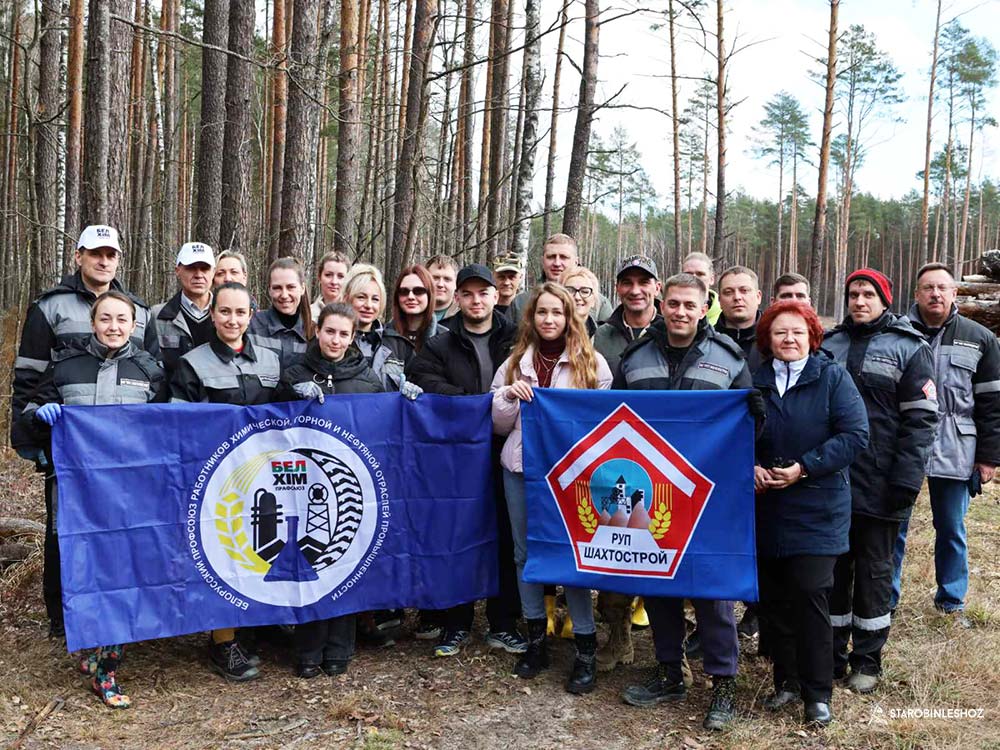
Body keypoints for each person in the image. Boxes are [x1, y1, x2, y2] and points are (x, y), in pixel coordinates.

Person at [615, 273, 756, 731]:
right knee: (658, 586)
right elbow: (614, 420)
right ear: (662, 304)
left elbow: (751, 422)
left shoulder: (729, 358)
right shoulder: (635, 358)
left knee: (713, 592)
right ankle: (669, 672)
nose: (680, 312)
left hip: (710, 495)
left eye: (689, 305)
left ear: (703, 308)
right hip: (653, 495)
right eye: (673, 303)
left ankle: (723, 685)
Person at [20, 291, 166, 708]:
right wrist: (41, 415)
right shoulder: (65, 365)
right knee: (85, 571)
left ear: (134, 325)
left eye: (122, 319)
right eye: (106, 318)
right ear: (93, 322)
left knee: (120, 574)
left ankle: (107, 670)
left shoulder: (150, 370)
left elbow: (165, 430)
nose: (114, 326)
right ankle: (93, 650)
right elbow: (29, 411)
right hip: (78, 494)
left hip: (129, 496)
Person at [11, 224, 150, 638]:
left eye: (110, 254)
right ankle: (61, 616)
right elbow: (29, 379)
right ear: (79, 256)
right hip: (68, 451)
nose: (103, 261)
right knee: (63, 530)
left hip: (123, 457)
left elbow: (152, 380)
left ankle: (118, 607)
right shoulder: (50, 306)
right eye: (95, 253)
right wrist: (32, 440)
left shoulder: (139, 311)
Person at [491, 283, 613, 693]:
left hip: (571, 477)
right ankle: (535, 640)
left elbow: (603, 424)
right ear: (531, 317)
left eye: (557, 313)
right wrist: (508, 397)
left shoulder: (591, 364)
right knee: (524, 553)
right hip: (520, 469)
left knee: (572, 554)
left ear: (569, 318)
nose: (549, 319)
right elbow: (497, 424)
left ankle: (585, 647)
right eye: (542, 312)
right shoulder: (514, 363)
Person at [752, 301, 869, 727]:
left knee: (810, 593)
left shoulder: (832, 378)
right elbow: (734, 433)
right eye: (780, 332)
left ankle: (817, 693)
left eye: (797, 332)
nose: (789, 339)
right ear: (768, 339)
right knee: (774, 598)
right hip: (766, 506)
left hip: (818, 506)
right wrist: (750, 465)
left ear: (812, 337)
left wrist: (804, 467)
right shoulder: (754, 381)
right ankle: (786, 680)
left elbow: (855, 435)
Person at [823, 268, 938, 694]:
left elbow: (921, 421)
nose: (859, 301)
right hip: (832, 481)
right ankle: (831, 654)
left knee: (874, 573)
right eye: (853, 294)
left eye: (868, 294)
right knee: (833, 571)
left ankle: (867, 660)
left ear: (885, 300)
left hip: (882, 481)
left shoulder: (910, 348)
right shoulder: (829, 344)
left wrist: (906, 480)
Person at [406, 263, 526, 658]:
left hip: (506, 448)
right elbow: (423, 378)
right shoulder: (441, 341)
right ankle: (455, 623)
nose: (476, 300)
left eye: (483, 293)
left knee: (507, 535)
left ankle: (503, 623)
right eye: (468, 294)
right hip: (457, 453)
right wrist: (475, 404)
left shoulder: (517, 338)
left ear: (496, 295)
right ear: (457, 298)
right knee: (459, 535)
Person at [171, 282, 281, 682]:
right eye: (224, 312)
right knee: (224, 555)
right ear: (213, 314)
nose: (232, 320)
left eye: (240, 312)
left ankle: (251, 631)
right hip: (215, 480)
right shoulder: (192, 363)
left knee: (260, 551)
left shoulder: (271, 359)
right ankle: (223, 641)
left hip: (264, 478)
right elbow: (180, 426)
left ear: (252, 315)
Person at [891, 263, 1000, 625]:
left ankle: (951, 600)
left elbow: (992, 403)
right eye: (928, 288)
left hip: (957, 444)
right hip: (904, 442)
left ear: (955, 293)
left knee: (951, 526)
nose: (935, 294)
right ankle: (884, 598)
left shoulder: (979, 337)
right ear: (916, 294)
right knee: (892, 524)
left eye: (942, 287)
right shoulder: (896, 332)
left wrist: (988, 457)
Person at [278, 303, 382, 679]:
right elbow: (271, 422)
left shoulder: (367, 379)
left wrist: (406, 399)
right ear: (317, 331)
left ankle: (340, 647)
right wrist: (291, 393)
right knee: (310, 561)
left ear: (353, 338)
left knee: (344, 559)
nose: (335, 340)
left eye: (344, 334)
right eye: (329, 331)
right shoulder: (294, 372)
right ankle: (308, 648)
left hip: (349, 484)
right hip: (303, 484)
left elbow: (381, 426)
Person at [591, 255, 663, 672]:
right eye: (627, 282)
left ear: (656, 287)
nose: (635, 290)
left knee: (662, 543)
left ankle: (669, 649)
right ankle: (618, 637)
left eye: (643, 282)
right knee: (615, 539)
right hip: (614, 454)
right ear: (617, 288)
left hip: (663, 455)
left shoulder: (669, 329)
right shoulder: (600, 336)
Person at [147, 242, 218, 381]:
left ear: (213, 272)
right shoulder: (157, 316)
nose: (198, 275)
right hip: (172, 394)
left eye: (205, 268)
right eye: (191, 268)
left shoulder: (227, 316)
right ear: (178, 270)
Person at [507, 234, 613, 324]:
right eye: (551, 257)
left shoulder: (598, 304)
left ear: (576, 262)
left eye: (564, 257)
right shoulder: (521, 303)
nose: (557, 263)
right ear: (542, 261)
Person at [378, 264, 439, 391]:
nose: (410, 297)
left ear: (429, 294)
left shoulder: (445, 337)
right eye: (404, 292)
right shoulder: (382, 337)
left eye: (418, 291)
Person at [247, 257, 314, 370]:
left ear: (302, 288)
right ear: (269, 290)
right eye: (277, 288)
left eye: (291, 287)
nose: (284, 295)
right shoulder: (251, 326)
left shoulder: (313, 333)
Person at [715, 265, 764, 374]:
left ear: (758, 297)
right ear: (720, 301)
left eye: (744, 290)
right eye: (728, 292)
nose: (737, 297)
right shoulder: (706, 342)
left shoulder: (774, 341)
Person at [343, 264, 387, 366]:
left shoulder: (395, 344)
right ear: (346, 299)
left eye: (375, 299)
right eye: (361, 297)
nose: (368, 305)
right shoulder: (334, 341)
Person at [559, 265, 602, 336]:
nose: (577, 297)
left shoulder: (603, 337)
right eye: (570, 291)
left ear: (594, 300)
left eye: (585, 291)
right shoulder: (548, 334)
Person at [681, 252, 722, 325]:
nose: (694, 278)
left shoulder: (724, 315)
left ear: (712, 279)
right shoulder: (672, 313)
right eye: (688, 274)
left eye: (700, 274)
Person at [310, 251, 350, 319]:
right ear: (319, 277)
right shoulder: (308, 315)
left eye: (340, 276)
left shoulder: (355, 313)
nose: (334, 282)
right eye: (328, 275)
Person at [427, 254, 460, 322]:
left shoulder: (465, 317)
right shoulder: (411, 313)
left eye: (447, 279)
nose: (440, 284)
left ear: (456, 284)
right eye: (435, 278)